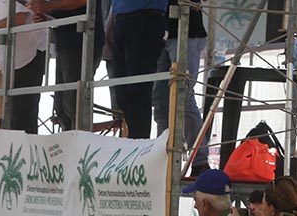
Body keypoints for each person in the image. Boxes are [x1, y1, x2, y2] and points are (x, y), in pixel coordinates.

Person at [26, 0, 105, 131]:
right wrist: (45, 15)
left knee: (74, 102)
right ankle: (69, 142)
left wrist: (47, 6)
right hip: (65, 41)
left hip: (82, 41)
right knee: (61, 105)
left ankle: (81, 144)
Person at [0, 0, 47, 133]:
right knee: (0, 116)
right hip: (3, 59)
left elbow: (19, 17)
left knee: (15, 116)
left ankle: (18, 150)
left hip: (22, 58)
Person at [152, 0, 207, 152]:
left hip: (186, 30)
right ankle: (162, 155)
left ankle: (199, 159)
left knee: (184, 97)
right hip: (159, 31)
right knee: (160, 101)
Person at [109, 0, 167, 139]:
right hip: (121, 19)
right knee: (122, 94)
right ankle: (136, 139)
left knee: (138, 90)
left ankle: (140, 142)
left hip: (146, 18)